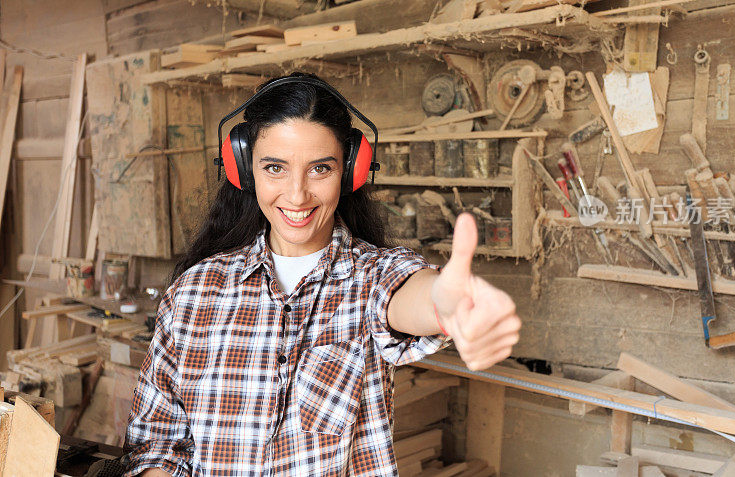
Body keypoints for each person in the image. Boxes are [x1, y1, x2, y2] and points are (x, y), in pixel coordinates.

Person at [123, 73, 521, 476]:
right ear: (243, 169)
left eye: (319, 169)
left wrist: (448, 303)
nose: (297, 195)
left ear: (350, 172)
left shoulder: (368, 279)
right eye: (275, 167)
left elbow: (405, 294)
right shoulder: (192, 294)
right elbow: (155, 444)